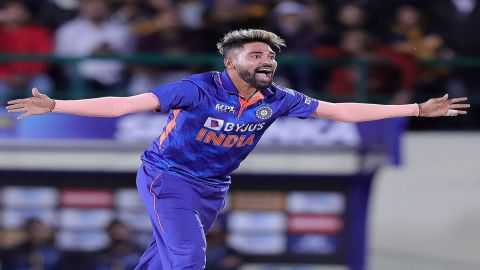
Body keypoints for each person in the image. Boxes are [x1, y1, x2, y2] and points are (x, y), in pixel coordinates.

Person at [5, 29, 469, 270]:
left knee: (163, 258)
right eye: (256, 55)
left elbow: (343, 112)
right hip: (167, 176)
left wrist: (414, 108)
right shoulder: (198, 88)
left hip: (212, 188)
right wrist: (57, 104)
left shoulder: (278, 99)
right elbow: (124, 104)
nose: (267, 61)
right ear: (230, 63)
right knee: (188, 259)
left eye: (270, 56)